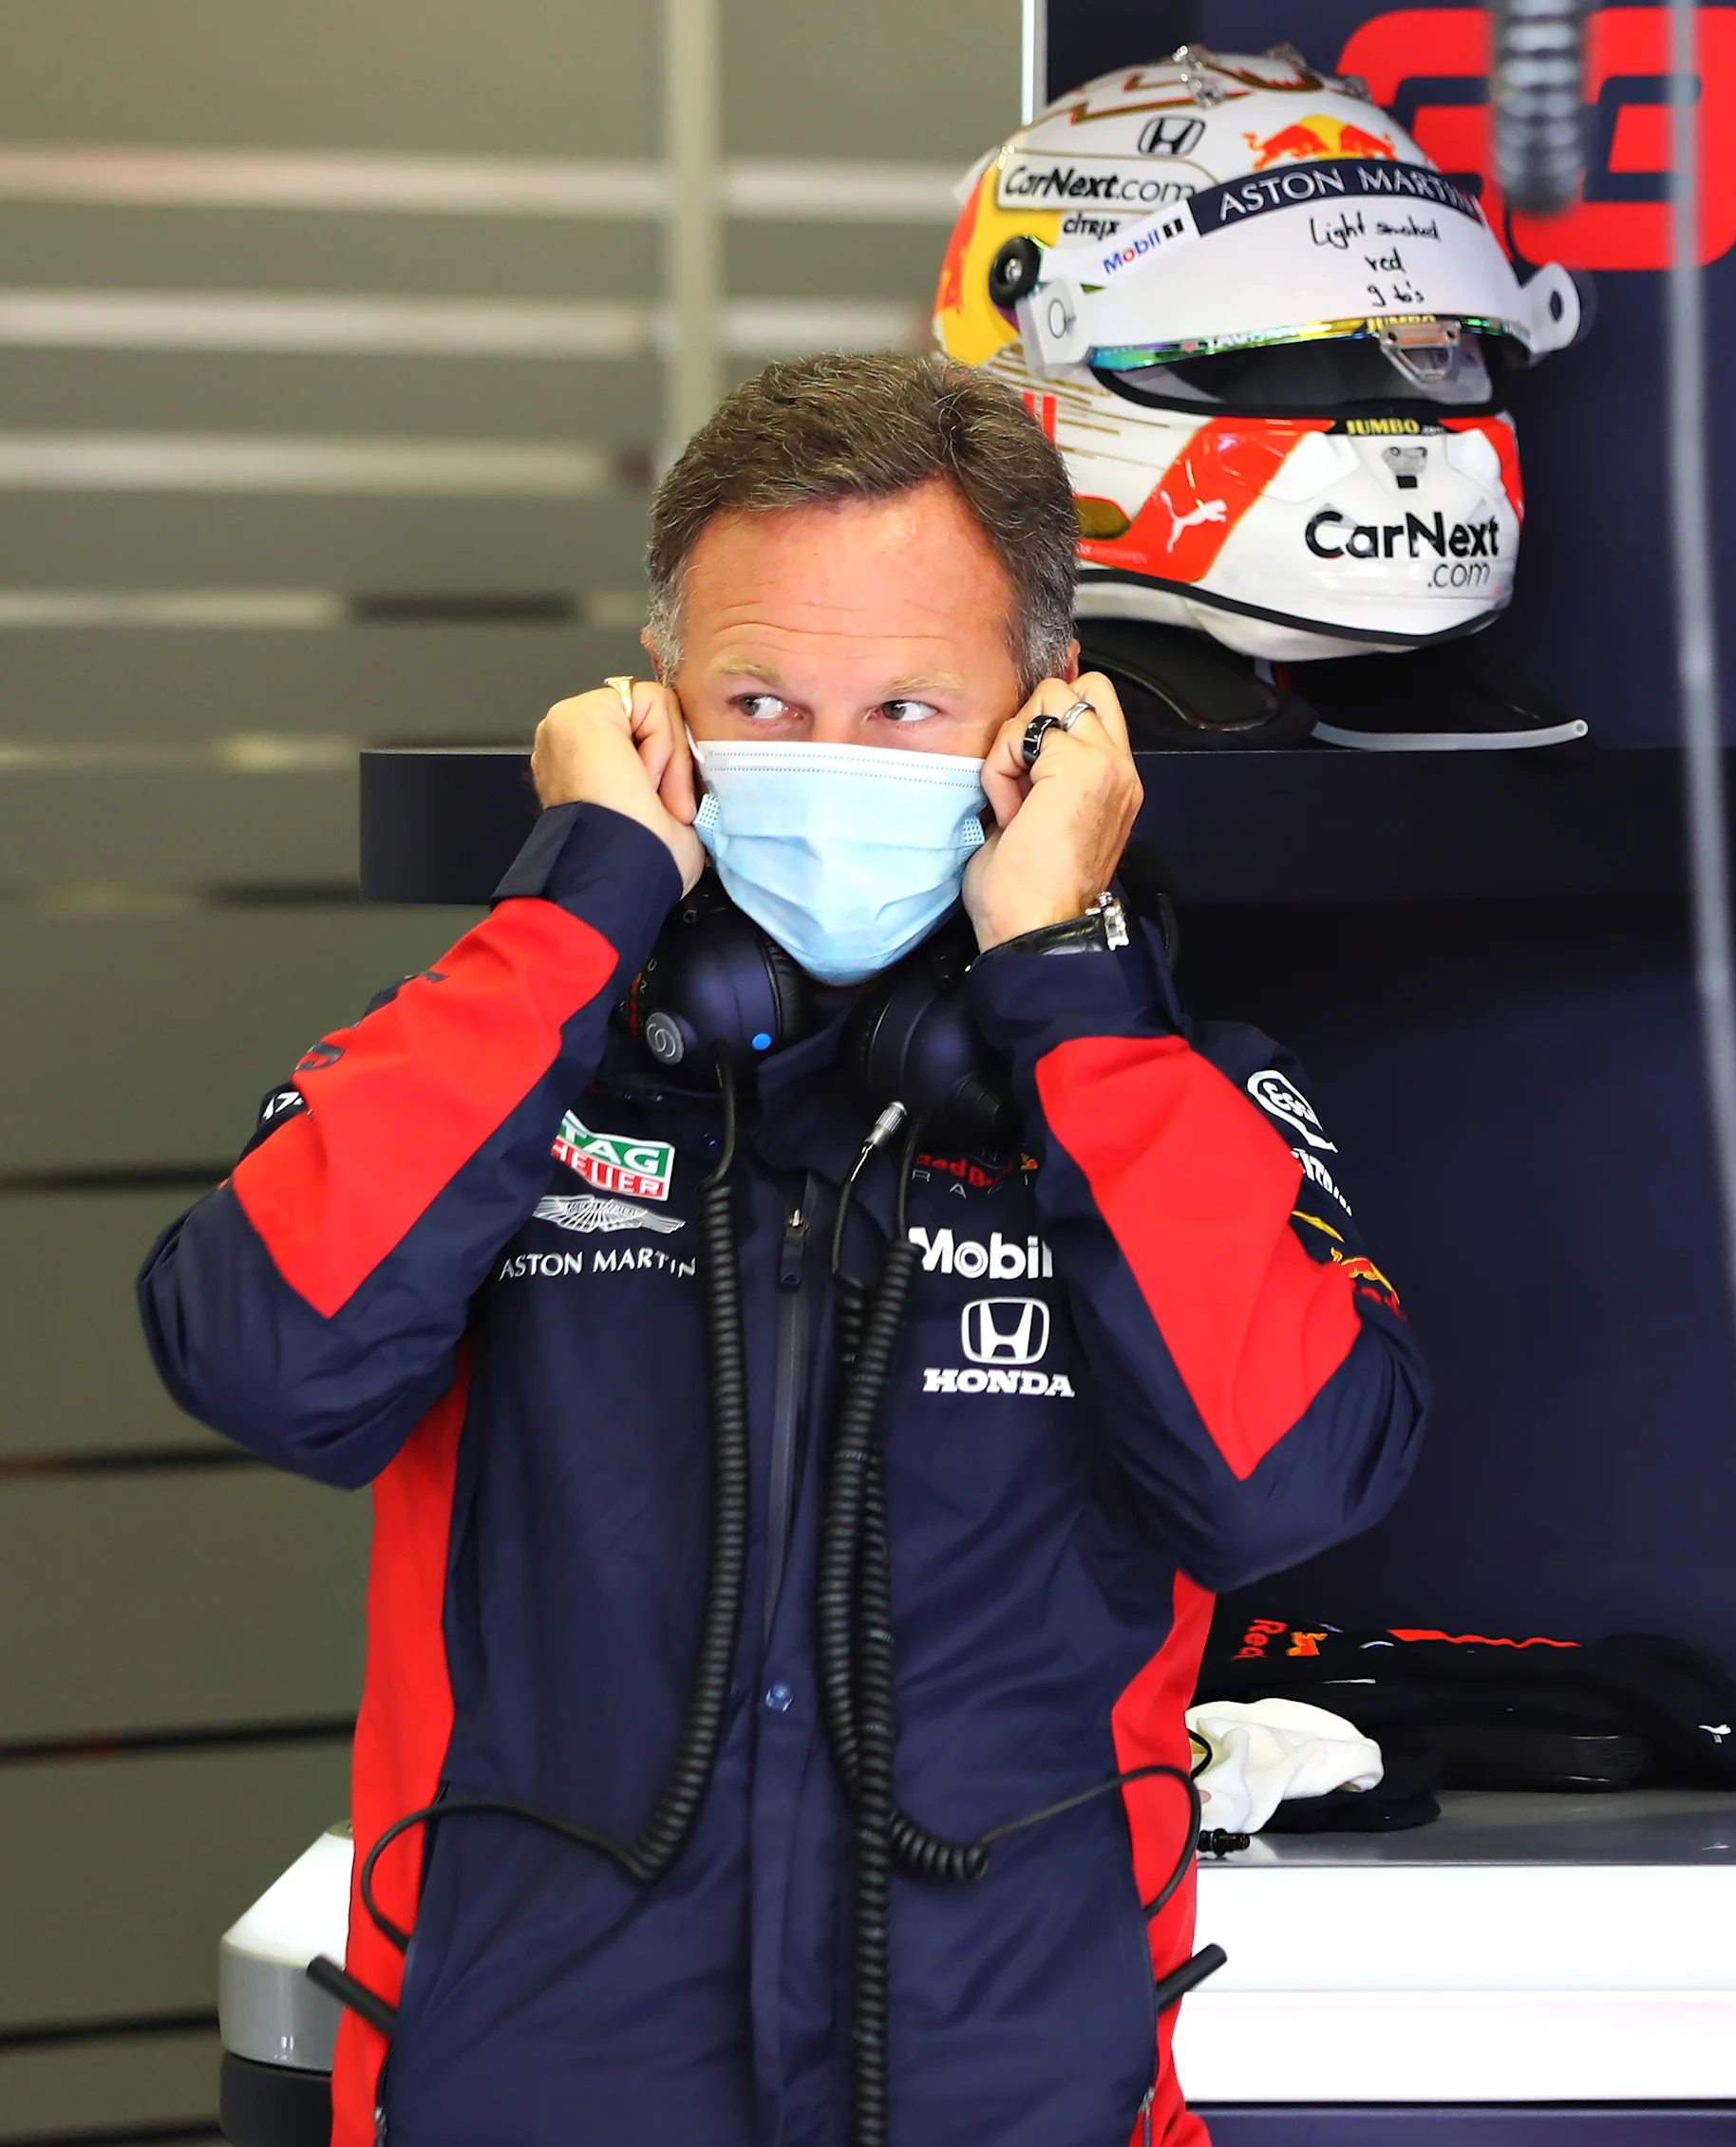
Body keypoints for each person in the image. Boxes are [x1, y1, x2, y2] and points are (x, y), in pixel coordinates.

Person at [141, 352, 1426, 2146]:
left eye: (906, 705)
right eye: (759, 696)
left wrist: (1071, 993)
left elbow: (1284, 1479)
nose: (827, 762)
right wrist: (576, 903)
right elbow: (264, 1354)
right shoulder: (507, 1054)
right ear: (657, 709)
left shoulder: (1156, 1098)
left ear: (1051, 727)